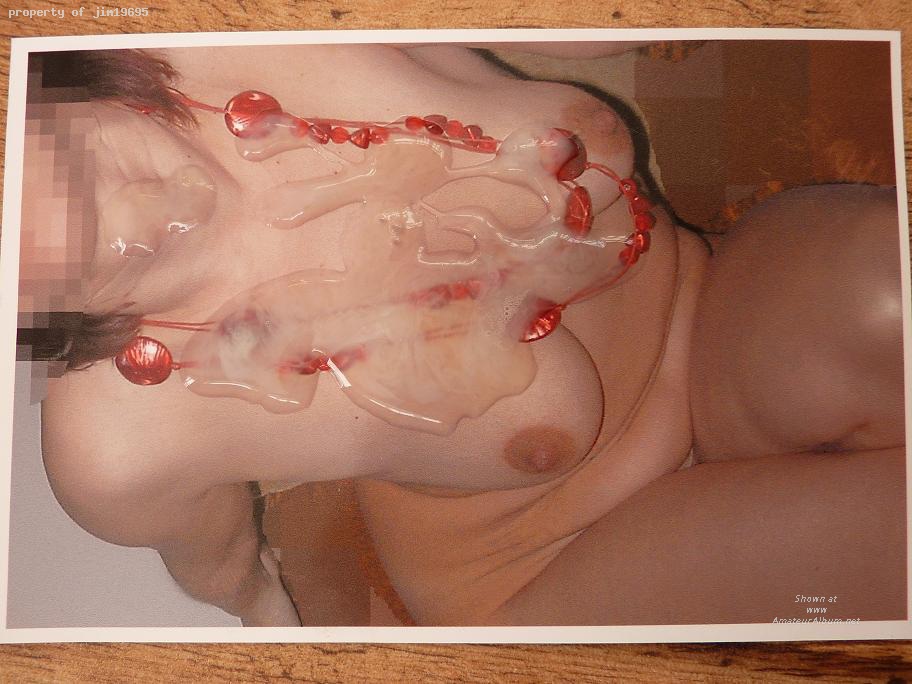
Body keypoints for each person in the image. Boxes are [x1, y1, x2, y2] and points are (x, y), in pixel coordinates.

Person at [17, 42, 906, 627]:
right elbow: (226, 571)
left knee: (885, 293)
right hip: (552, 554)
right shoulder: (121, 444)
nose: (151, 219)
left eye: (92, 172)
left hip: (710, 305)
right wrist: (273, 624)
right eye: (90, 268)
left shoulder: (250, 34)